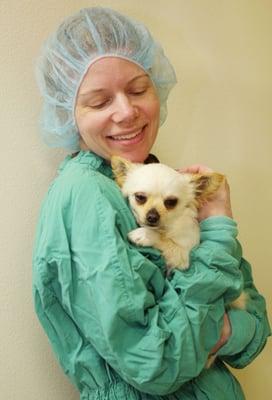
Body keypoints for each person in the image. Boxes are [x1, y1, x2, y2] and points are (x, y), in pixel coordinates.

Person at [33, 7, 271, 400]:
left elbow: (256, 332)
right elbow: (157, 365)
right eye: (98, 101)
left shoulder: (163, 181)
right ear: (67, 112)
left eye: (139, 89)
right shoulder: (87, 197)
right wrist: (218, 240)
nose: (127, 112)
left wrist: (222, 330)